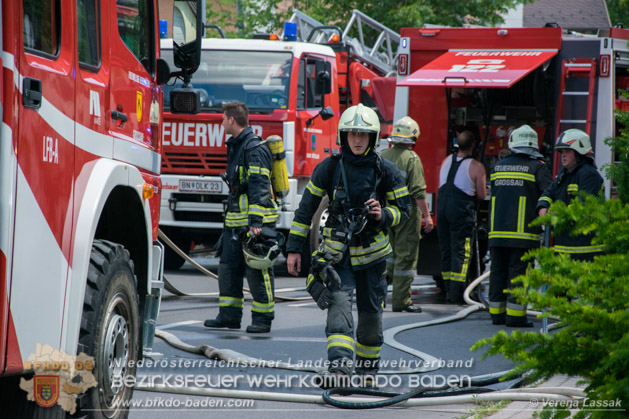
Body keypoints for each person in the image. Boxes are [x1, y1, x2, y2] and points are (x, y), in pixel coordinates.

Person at [285, 104, 411, 387]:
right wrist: (294, 249)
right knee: (338, 307)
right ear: (343, 136)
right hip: (338, 256)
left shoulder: (386, 171)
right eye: (352, 134)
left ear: (373, 138)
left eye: (363, 135)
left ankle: (367, 374)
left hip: (374, 258)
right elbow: (305, 211)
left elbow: (406, 211)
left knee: (370, 316)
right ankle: (340, 371)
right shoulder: (328, 168)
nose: (357, 140)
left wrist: (383, 215)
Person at [204, 101, 278, 333]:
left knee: (257, 270)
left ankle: (262, 320)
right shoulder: (237, 145)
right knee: (228, 268)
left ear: (232, 120)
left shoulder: (254, 149)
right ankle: (229, 316)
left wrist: (255, 223)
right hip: (235, 223)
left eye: (223, 118)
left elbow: (260, 187)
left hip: (255, 223)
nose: (221, 122)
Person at [488, 125, 552, 327]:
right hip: (523, 234)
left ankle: (496, 315)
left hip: (496, 232)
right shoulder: (538, 167)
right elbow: (548, 194)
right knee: (518, 273)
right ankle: (515, 317)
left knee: (498, 272)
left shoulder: (498, 166)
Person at [380, 116, 433, 313]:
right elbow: (419, 193)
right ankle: (402, 302)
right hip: (406, 215)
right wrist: (427, 216)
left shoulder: (383, 155)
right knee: (405, 259)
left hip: (385, 213)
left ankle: (378, 297)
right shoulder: (412, 160)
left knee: (387, 256)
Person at [536, 129, 604, 261]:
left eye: (567, 151)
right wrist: (542, 207)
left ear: (579, 153)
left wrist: (553, 215)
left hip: (585, 249)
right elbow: (549, 192)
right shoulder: (564, 175)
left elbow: (582, 207)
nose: (563, 156)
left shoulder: (589, 175)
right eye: (561, 152)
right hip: (565, 247)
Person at [437, 131, 487, 304]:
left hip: (442, 209)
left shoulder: (446, 161)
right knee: (461, 252)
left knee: (446, 250)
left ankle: (447, 289)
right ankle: (457, 294)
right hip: (460, 212)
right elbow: (481, 194)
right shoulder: (476, 166)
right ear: (473, 146)